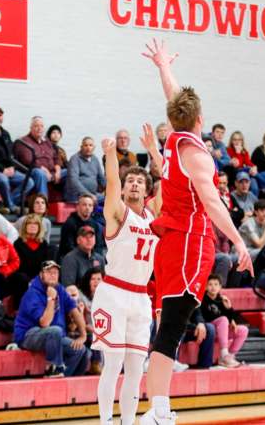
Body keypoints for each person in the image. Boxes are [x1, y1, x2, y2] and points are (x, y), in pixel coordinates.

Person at [140, 39, 253, 425]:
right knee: (172, 326)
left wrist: (162, 67)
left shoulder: (176, 135)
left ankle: (157, 407)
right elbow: (213, 203)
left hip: (171, 236)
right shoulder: (197, 154)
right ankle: (156, 410)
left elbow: (174, 96)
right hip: (189, 238)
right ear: (201, 118)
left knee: (168, 324)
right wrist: (239, 241)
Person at [93, 136, 157, 425]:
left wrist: (157, 152)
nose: (133, 184)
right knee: (113, 365)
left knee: (135, 368)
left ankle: (128, 422)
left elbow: (169, 183)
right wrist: (109, 155)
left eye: (139, 181)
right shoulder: (118, 213)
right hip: (114, 293)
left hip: (141, 298)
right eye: (129, 180)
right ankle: (106, 420)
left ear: (146, 189)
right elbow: (111, 183)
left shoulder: (154, 217)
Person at [14, 260, 90, 377]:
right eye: (49, 272)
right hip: (28, 336)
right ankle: (53, 368)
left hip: (54, 337)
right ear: (41, 274)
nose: (53, 275)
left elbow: (74, 310)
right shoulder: (32, 293)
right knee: (55, 331)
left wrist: (83, 335)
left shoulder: (59, 289)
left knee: (80, 350)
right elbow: (45, 323)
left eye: (55, 272)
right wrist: (51, 299)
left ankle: (62, 380)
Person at [200, 274, 248, 368]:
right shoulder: (203, 300)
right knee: (223, 319)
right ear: (205, 287)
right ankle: (224, 354)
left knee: (243, 330)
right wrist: (226, 318)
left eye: (216, 284)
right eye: (210, 284)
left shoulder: (222, 300)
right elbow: (208, 316)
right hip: (210, 330)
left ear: (220, 287)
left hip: (222, 332)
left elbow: (233, 320)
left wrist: (229, 308)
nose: (213, 287)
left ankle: (229, 357)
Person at [14, 116, 63, 198]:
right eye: (36, 126)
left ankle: (71, 201)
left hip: (52, 173)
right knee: (40, 173)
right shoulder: (24, 141)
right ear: (31, 128)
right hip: (32, 172)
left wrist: (58, 171)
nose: (39, 128)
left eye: (41, 126)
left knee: (68, 173)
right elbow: (27, 160)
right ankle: (44, 206)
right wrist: (43, 169)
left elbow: (56, 157)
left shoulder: (47, 142)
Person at [12, 214, 55, 307]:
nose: (32, 225)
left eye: (35, 224)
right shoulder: (18, 244)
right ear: (25, 226)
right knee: (20, 278)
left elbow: (46, 265)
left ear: (39, 227)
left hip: (39, 277)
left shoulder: (43, 244)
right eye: (29, 223)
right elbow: (17, 266)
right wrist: (30, 281)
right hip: (23, 278)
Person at [59, 194, 106, 260]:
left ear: (93, 208)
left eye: (90, 205)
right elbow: (69, 247)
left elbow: (99, 246)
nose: (87, 207)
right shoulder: (69, 224)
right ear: (77, 207)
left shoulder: (96, 225)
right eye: (84, 205)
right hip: (71, 258)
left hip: (91, 258)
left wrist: (93, 257)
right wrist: (85, 257)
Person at [65, 137, 106, 203]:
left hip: (93, 194)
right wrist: (88, 195)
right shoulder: (75, 159)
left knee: (111, 200)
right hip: (77, 195)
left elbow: (101, 179)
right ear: (81, 147)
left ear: (94, 147)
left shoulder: (95, 159)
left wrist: (113, 190)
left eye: (90, 145)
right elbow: (73, 181)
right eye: (86, 145)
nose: (88, 148)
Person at [227, 131, 259, 195]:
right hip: (235, 174)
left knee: (254, 187)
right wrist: (237, 153)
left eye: (239, 140)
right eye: (235, 140)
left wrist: (254, 167)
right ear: (231, 141)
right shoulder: (228, 150)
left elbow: (248, 163)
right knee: (248, 169)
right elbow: (236, 165)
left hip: (245, 173)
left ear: (242, 141)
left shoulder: (244, 151)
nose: (237, 142)